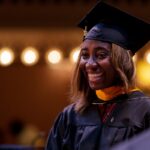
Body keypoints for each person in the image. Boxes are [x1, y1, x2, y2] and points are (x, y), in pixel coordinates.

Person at [45, 1, 150, 150]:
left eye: (101, 55)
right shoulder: (70, 117)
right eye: (85, 55)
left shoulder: (145, 111)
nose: (90, 64)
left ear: (121, 61)